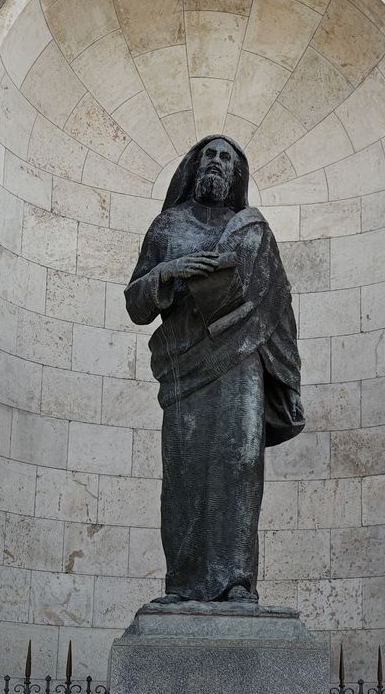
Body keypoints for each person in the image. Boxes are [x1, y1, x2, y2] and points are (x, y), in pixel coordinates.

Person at [123, 135, 303, 605]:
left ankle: (237, 582)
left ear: (237, 175)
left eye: (227, 158)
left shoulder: (252, 231)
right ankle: (182, 586)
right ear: (195, 166)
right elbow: (135, 303)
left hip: (241, 362)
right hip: (186, 369)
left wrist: (287, 378)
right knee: (183, 473)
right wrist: (170, 271)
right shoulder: (167, 227)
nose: (218, 164)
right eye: (211, 156)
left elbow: (278, 304)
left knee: (240, 465)